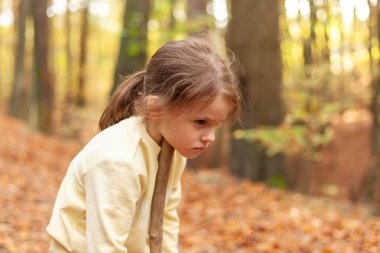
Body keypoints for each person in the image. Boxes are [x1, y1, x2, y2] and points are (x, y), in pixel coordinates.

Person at [46, 37, 241, 253]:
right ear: (156, 108)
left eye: (216, 124)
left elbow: (165, 219)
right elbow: (104, 247)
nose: (210, 137)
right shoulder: (119, 161)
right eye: (201, 122)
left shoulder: (172, 150)